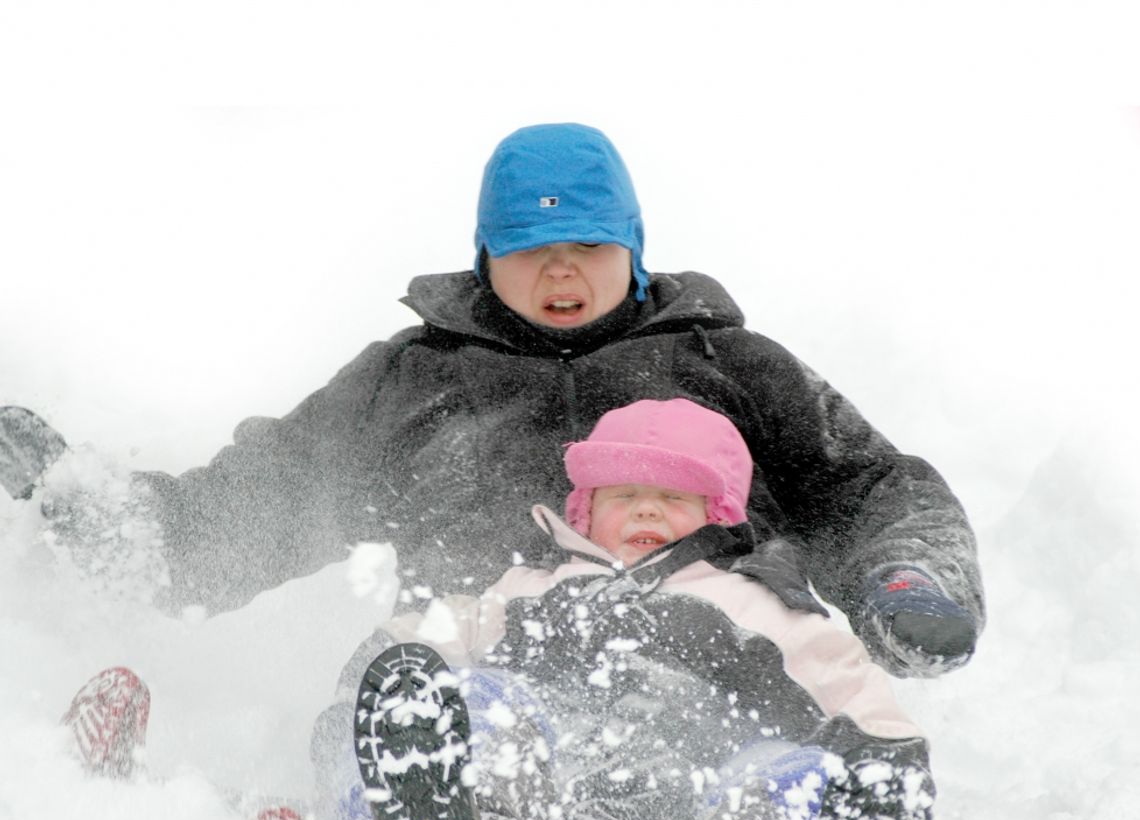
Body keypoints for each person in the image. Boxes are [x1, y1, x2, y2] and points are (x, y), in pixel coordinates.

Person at [12, 122, 983, 678]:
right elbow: (249, 509)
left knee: (757, 716)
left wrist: (909, 580)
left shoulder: (731, 365)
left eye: (590, 247)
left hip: (715, 659)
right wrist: (84, 502)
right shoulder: (411, 382)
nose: (561, 271)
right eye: (529, 249)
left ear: (634, 251)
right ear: (486, 256)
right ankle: (364, 817)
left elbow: (867, 483)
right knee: (391, 695)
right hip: (482, 671)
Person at [319, 399, 937, 820]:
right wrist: (393, 666)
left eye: (672, 496)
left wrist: (885, 764)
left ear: (714, 514)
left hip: (691, 803)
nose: (646, 508)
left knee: (788, 772)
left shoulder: (753, 600)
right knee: (483, 705)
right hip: (542, 798)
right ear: (584, 511)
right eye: (624, 494)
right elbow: (450, 626)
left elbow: (848, 687)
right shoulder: (535, 585)